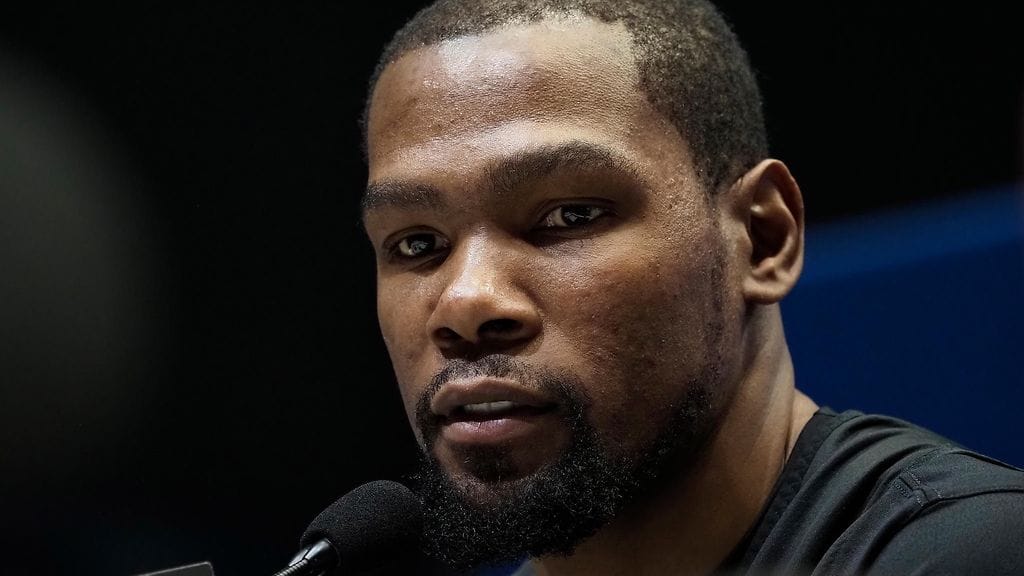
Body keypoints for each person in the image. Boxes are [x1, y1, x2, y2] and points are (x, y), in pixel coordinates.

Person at [356, 0, 1024, 574]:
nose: (465, 303)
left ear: (761, 238)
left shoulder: (973, 553)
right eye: (417, 245)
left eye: (570, 216)